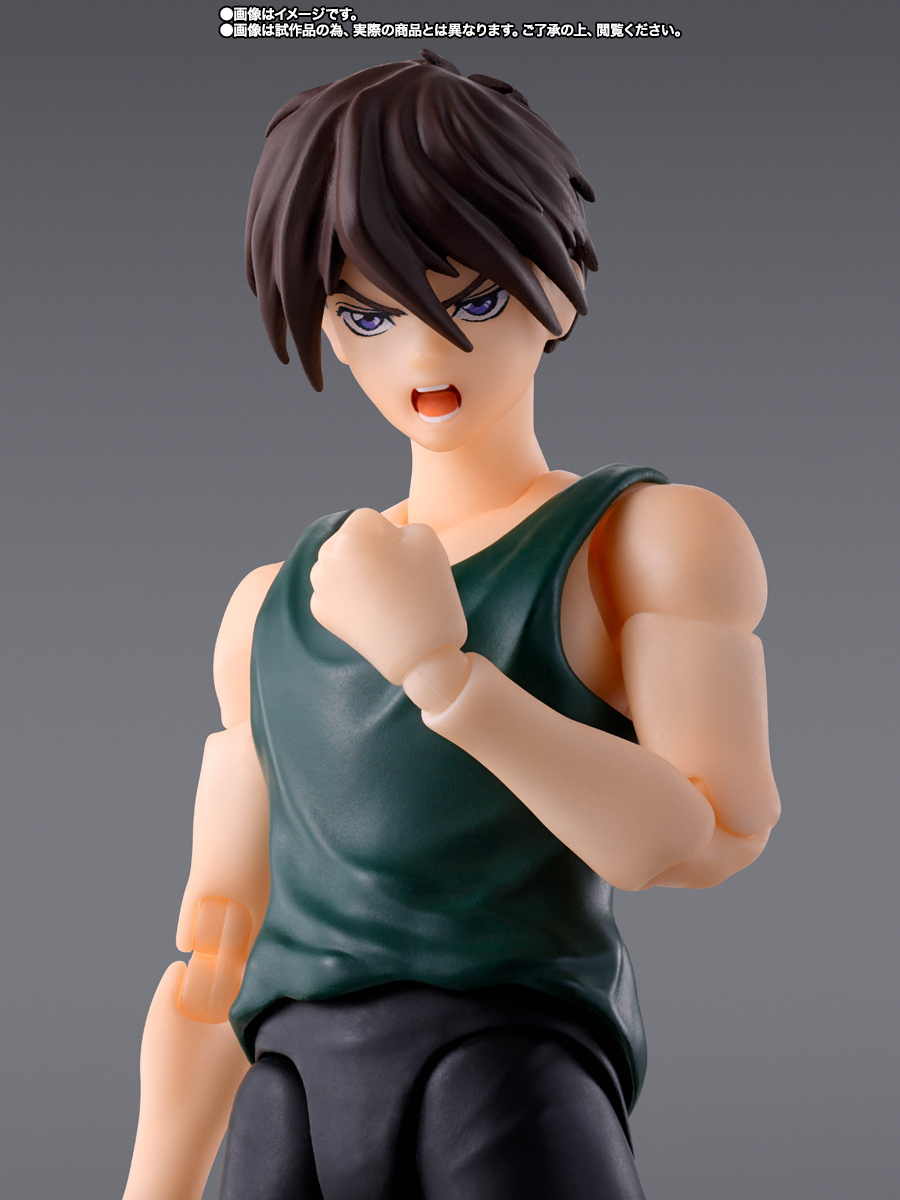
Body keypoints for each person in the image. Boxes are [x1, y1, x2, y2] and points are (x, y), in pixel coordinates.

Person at [122, 50, 780, 1200]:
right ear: (331, 330)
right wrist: (154, 1183)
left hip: (500, 1072)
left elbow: (704, 834)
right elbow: (213, 950)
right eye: (367, 313)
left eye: (473, 299)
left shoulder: (645, 540)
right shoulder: (269, 606)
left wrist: (445, 675)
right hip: (285, 1098)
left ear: (555, 291)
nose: (424, 356)